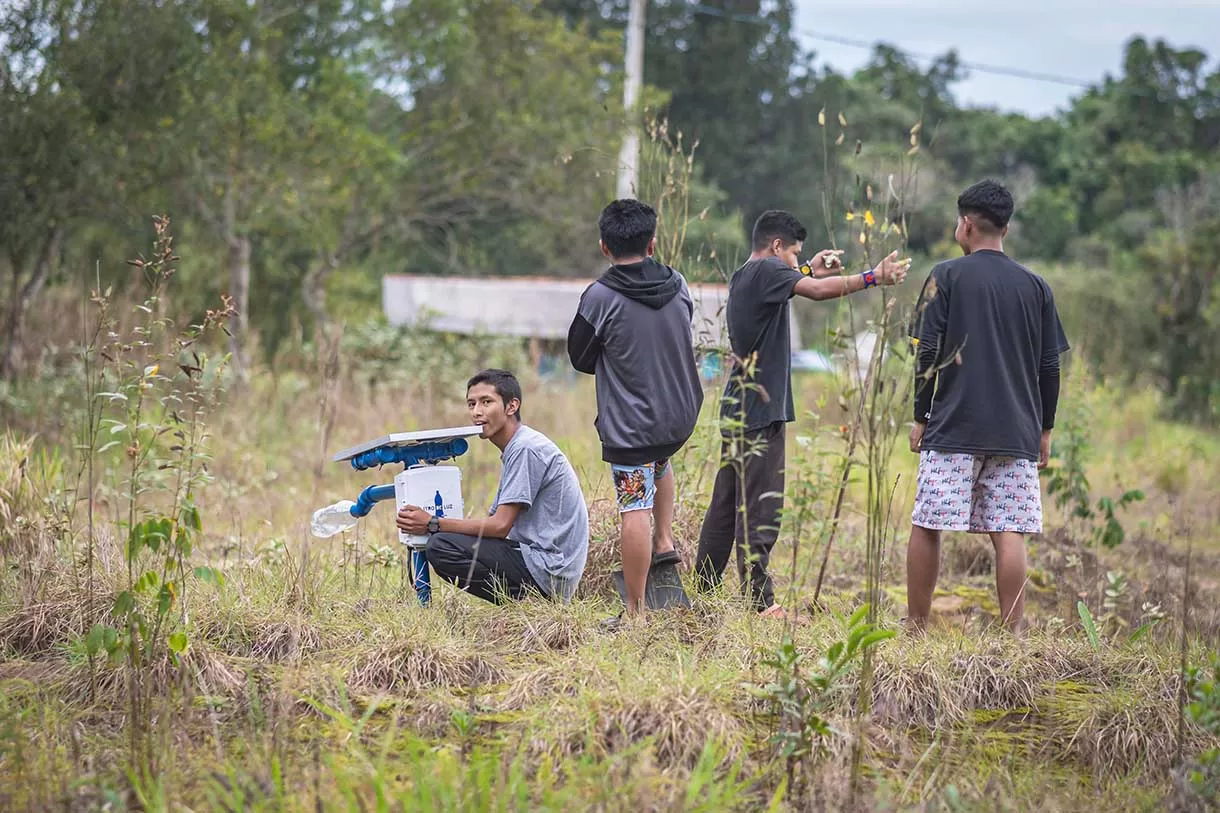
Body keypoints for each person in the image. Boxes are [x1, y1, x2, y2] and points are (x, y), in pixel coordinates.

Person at [694, 210, 908, 620]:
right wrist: (872, 277)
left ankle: (704, 589)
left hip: (739, 405)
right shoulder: (771, 270)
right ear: (776, 247)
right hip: (760, 409)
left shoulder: (747, 273)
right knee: (761, 507)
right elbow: (818, 292)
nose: (796, 261)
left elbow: (797, 281)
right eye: (795, 253)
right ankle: (762, 604)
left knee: (726, 503)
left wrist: (808, 267)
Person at [906, 179, 1070, 633]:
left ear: (965, 224)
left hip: (954, 425)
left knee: (928, 523)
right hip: (1016, 430)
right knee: (1009, 530)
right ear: (1006, 227)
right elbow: (1049, 368)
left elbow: (927, 354)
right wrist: (1045, 430)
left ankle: (916, 628)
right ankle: (1013, 633)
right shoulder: (1036, 286)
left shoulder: (946, 276)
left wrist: (921, 416)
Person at [567, 198, 704, 624]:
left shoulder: (601, 296)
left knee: (633, 507)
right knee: (659, 462)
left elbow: (579, 357)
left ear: (604, 247)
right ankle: (664, 543)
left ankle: (635, 610)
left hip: (633, 427)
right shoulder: (678, 283)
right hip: (679, 416)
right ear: (653, 243)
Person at [396, 369, 589, 604]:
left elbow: (499, 526)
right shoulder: (516, 447)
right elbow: (495, 525)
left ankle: (529, 602)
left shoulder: (526, 448)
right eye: (471, 404)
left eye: (487, 402)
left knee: (441, 545)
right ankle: (524, 604)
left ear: (511, 406)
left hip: (548, 569)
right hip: (539, 560)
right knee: (447, 539)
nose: (477, 412)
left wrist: (432, 523)